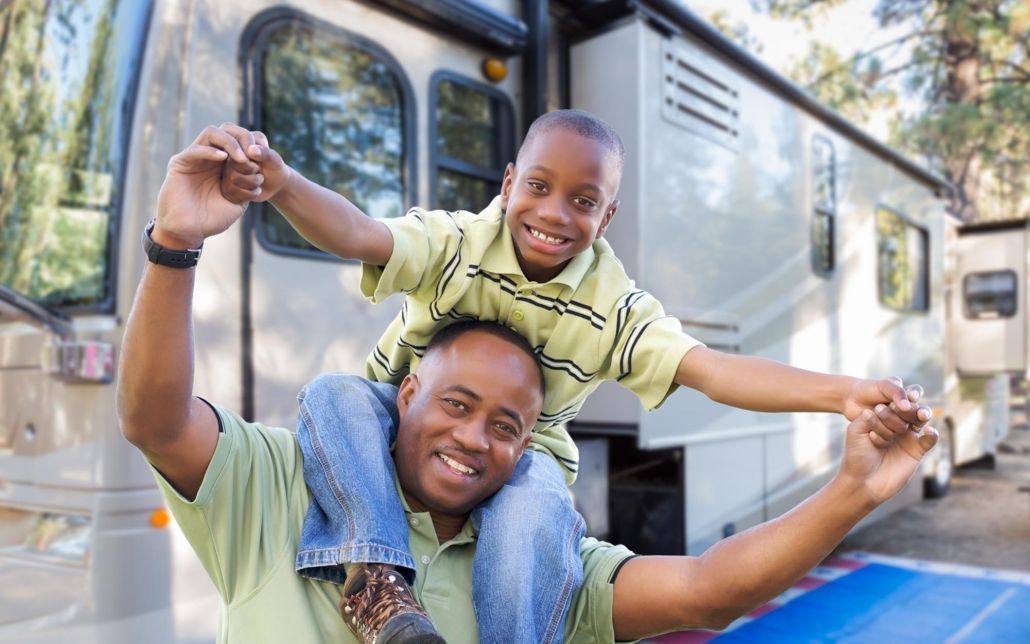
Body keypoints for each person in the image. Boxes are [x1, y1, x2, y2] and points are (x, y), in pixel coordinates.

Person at [117, 128, 939, 644]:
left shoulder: (612, 312)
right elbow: (359, 233)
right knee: (333, 393)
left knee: (538, 506)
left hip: (538, 472)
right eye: (538, 187)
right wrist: (273, 188)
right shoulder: (282, 492)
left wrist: (840, 399)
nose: (554, 212)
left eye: (584, 200)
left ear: (607, 218)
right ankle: (374, 574)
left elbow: (715, 380)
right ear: (508, 182)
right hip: (367, 427)